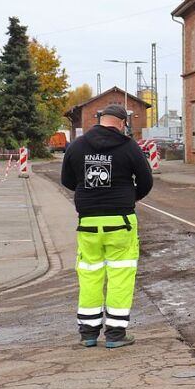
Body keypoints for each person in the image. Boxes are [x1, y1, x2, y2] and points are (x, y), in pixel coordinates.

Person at [61, 103, 153, 347]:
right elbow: (146, 180)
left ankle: (88, 334)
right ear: (122, 123)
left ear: (100, 119)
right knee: (120, 275)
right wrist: (130, 196)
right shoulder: (129, 147)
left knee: (90, 275)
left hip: (88, 222)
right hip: (121, 221)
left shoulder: (77, 146)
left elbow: (67, 180)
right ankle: (115, 335)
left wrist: (90, 194)